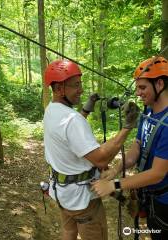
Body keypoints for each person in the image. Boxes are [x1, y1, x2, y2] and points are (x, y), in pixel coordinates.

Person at [43, 59, 139, 240]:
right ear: (58, 89)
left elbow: (68, 132)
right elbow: (102, 159)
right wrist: (127, 126)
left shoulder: (51, 111)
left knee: (69, 232)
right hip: (82, 200)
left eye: (80, 84)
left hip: (61, 192)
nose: (80, 90)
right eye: (75, 85)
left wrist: (86, 111)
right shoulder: (72, 120)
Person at [91, 56, 168, 240]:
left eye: (142, 87)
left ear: (159, 84)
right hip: (149, 197)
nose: (138, 93)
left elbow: (157, 173)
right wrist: (116, 169)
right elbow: (137, 149)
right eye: (137, 88)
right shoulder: (148, 112)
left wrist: (114, 184)